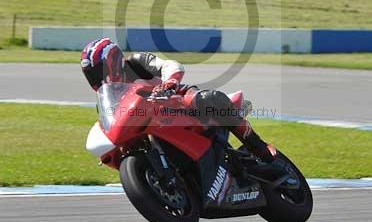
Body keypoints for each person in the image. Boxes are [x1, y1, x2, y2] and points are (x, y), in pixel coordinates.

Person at [80, 37, 276, 162]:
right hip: (149, 125)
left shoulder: (136, 63)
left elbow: (171, 65)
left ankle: (258, 146)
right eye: (90, 74)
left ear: (112, 61)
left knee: (209, 99)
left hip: (177, 102)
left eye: (97, 71)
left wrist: (169, 84)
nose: (95, 78)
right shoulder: (107, 98)